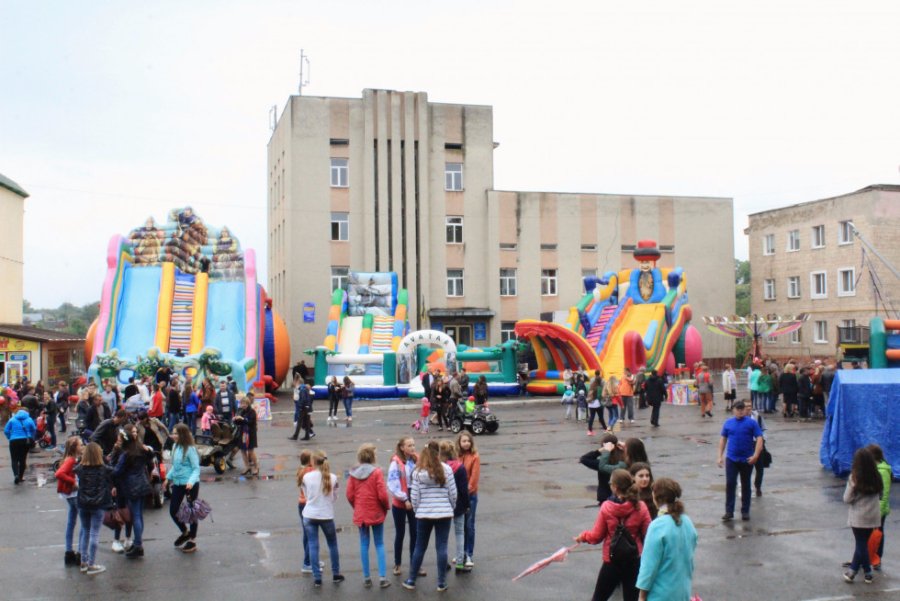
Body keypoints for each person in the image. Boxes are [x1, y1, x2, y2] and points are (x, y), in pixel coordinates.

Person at [575, 469, 651, 601]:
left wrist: (583, 536)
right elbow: (649, 534)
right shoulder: (641, 506)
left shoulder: (607, 507)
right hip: (634, 559)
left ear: (615, 487)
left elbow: (596, 536)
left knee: (599, 597)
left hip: (612, 560)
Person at [403, 440, 458, 592]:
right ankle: (441, 583)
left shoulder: (418, 472)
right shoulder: (446, 469)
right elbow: (453, 493)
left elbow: (414, 496)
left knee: (420, 547)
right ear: (438, 453)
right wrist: (451, 507)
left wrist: (418, 510)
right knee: (441, 547)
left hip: (424, 515)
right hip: (444, 513)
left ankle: (411, 580)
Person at [635, 478, 698, 601]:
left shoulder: (657, 526)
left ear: (655, 497)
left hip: (660, 594)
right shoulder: (687, 521)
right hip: (682, 591)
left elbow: (649, 565)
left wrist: (642, 595)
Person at [346, 443, 391, 589]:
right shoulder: (377, 472)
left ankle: (366, 578)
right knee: (379, 543)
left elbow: (349, 495)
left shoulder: (353, 474)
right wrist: (386, 506)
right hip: (376, 512)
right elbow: (382, 495)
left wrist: (357, 507)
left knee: (364, 544)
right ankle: (382, 577)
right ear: (372, 457)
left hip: (362, 513)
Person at [301, 450, 345, 587]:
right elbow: (335, 496)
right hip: (326, 514)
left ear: (312, 461)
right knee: (332, 544)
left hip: (309, 514)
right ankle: (336, 574)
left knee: (313, 545)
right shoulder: (332, 477)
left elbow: (305, 494)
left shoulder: (306, 477)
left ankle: (317, 578)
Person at [112, 422, 154, 558]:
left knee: (135, 515)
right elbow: (151, 458)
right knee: (139, 515)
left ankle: (138, 545)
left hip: (131, 486)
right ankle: (137, 543)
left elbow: (116, 471)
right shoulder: (141, 450)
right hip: (143, 483)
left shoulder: (126, 454)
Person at [717, 400, 763, 521]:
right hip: (732, 459)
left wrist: (755, 455)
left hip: (747, 459)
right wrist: (719, 456)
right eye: (738, 409)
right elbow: (723, 439)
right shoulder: (728, 423)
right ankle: (729, 511)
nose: (740, 411)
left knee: (746, 484)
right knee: (730, 484)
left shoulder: (751, 423)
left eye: (742, 409)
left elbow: (759, 438)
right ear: (733, 410)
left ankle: (745, 511)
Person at [842, 447, 883, 584]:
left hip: (859, 517)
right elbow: (881, 495)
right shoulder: (877, 477)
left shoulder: (854, 478)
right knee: (862, 543)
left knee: (861, 544)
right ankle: (853, 571)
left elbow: (847, 498)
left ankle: (866, 572)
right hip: (873, 516)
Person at [75, 442, 115, 575]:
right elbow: (114, 471)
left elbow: (73, 469)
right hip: (98, 504)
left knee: (85, 531)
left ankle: (83, 562)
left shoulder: (80, 468)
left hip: (83, 503)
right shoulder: (104, 469)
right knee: (94, 533)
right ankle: (91, 564)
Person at [388, 437, 421, 577]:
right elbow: (392, 484)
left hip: (414, 500)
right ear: (402, 447)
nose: (413, 448)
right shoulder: (396, 462)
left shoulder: (416, 459)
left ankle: (415, 565)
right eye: (409, 445)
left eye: (413, 445)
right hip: (400, 502)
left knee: (415, 533)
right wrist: (405, 499)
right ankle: (397, 564)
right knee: (400, 534)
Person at [165, 423, 201, 554]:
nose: (173, 435)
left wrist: (191, 482)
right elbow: (175, 466)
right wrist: (167, 478)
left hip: (190, 484)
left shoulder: (190, 448)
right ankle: (185, 532)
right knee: (173, 510)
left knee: (191, 513)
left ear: (182, 435)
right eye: (173, 433)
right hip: (178, 483)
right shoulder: (175, 446)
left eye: (176, 433)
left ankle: (192, 540)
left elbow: (196, 468)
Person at [439, 440, 470, 572]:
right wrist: (467, 505)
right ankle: (459, 563)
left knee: (442, 537)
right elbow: (463, 490)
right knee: (459, 533)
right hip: (458, 504)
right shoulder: (460, 467)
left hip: (443, 504)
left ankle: (443, 562)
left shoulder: (438, 467)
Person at [56, 436, 83, 566]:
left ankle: (69, 551)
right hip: (74, 494)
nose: (82, 447)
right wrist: (73, 482)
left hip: (69, 495)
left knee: (71, 522)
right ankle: (80, 553)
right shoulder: (71, 460)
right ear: (74, 448)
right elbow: (59, 473)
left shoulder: (69, 459)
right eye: (80, 445)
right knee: (84, 524)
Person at [580, 434, 628, 505]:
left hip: (605, 498)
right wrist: (625, 448)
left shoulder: (601, 463)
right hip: (623, 496)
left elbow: (584, 459)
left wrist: (600, 451)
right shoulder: (625, 460)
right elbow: (637, 455)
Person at [457, 431, 480, 570]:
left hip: (470, 496)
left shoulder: (475, 456)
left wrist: (466, 492)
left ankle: (469, 554)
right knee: (460, 527)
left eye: (468, 441)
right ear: (459, 443)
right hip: (459, 496)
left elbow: (474, 478)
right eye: (463, 441)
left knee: (469, 525)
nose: (466, 443)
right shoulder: (457, 456)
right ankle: (461, 554)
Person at [295, 449, 316, 574]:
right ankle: (307, 562)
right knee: (311, 535)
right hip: (308, 504)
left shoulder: (301, 470)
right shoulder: (310, 471)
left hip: (301, 503)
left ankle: (311, 559)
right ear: (309, 461)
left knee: (306, 534)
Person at [5, 407, 36, 483]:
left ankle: (16, 475)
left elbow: (6, 430)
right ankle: (20, 477)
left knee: (14, 459)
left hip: (14, 440)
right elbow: (34, 429)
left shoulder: (12, 419)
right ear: (27, 412)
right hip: (25, 440)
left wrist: (10, 437)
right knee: (23, 459)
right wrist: (30, 436)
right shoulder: (29, 419)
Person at [744, 404, 769, 496]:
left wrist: (763, 440)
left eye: (750, 405)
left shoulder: (757, 417)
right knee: (747, 468)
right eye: (746, 406)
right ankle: (746, 487)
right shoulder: (740, 419)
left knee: (759, 468)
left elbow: (764, 429)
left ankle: (758, 486)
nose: (748, 408)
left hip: (757, 444)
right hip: (746, 446)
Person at [233, 395, 259, 476]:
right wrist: (235, 420)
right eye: (242, 403)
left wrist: (242, 419)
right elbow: (239, 423)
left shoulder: (252, 411)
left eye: (245, 403)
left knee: (251, 451)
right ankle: (247, 467)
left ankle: (256, 466)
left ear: (248, 403)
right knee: (243, 450)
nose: (243, 405)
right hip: (243, 433)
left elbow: (251, 422)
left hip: (250, 433)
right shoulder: (241, 411)